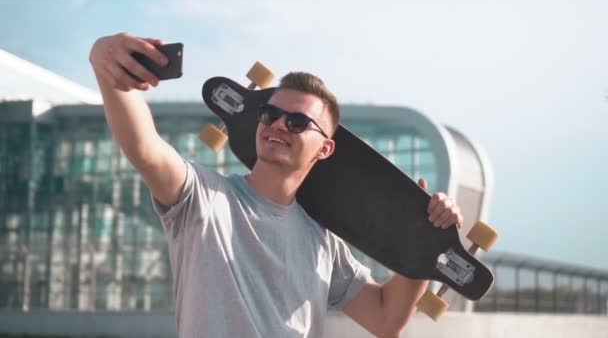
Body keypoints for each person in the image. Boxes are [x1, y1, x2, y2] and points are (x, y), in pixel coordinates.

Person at [89, 32, 464, 338]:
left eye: (298, 122)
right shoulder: (203, 199)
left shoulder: (322, 241)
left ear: (325, 148)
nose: (279, 124)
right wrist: (109, 67)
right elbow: (146, 150)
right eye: (271, 113)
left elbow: (385, 319)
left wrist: (423, 243)